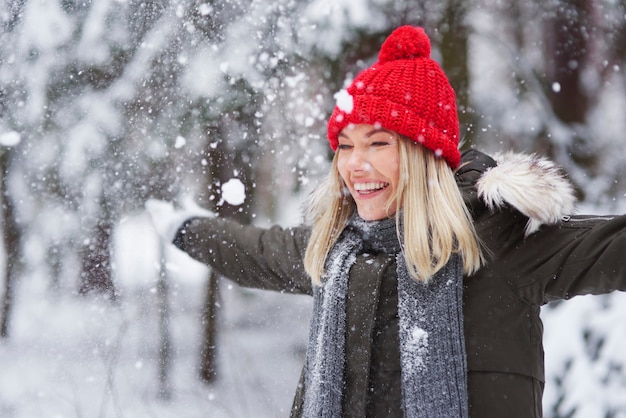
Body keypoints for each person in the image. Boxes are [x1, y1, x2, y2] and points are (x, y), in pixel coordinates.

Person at [146, 26, 626, 418]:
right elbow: (254, 251)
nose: (355, 165)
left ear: (423, 156)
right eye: (346, 146)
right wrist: (183, 226)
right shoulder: (338, 251)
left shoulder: (503, 241)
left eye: (378, 144)